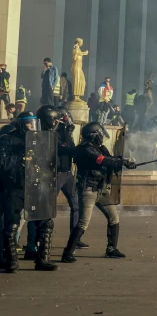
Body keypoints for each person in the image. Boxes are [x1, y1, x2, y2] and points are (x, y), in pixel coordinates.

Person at [61, 122, 136, 263]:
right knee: (83, 223)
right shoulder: (86, 149)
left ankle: (111, 249)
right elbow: (101, 160)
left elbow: (111, 159)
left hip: (101, 190)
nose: (102, 136)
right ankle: (67, 253)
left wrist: (124, 161)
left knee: (114, 217)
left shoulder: (99, 148)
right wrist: (121, 162)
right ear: (93, 135)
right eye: (100, 133)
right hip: (88, 190)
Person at [25, 105, 86, 261]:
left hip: (67, 173)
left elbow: (69, 147)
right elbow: (60, 149)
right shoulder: (46, 134)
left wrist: (69, 135)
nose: (63, 121)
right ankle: (33, 244)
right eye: (60, 119)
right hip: (55, 173)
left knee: (76, 204)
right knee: (42, 209)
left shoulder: (62, 132)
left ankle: (75, 238)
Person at [0, 111, 58, 272]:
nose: (32, 126)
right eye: (28, 123)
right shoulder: (8, 140)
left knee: (46, 223)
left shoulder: (39, 140)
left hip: (34, 186)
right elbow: (3, 164)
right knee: (11, 225)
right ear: (20, 124)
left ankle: (43, 260)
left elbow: (48, 161)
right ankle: (11, 261)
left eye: (34, 123)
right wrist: (22, 155)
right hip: (15, 187)